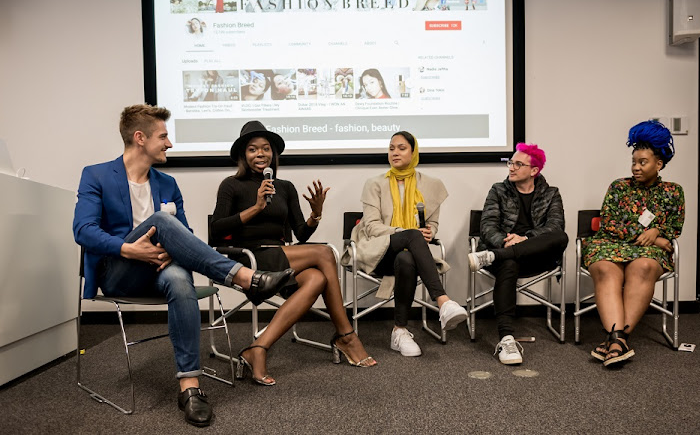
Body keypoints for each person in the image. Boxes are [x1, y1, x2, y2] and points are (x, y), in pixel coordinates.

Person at [73, 105, 292, 427]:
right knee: (163, 219)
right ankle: (245, 277)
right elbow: (83, 230)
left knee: (179, 280)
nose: (169, 144)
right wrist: (130, 250)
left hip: (161, 268)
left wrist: (165, 253)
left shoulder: (167, 183)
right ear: (139, 138)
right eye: (163, 136)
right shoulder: (97, 175)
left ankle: (190, 386)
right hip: (119, 270)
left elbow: (185, 235)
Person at [210, 121, 376, 385]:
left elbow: (302, 234)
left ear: (274, 155)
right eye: (253, 150)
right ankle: (346, 335)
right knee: (324, 254)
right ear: (244, 155)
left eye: (266, 149)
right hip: (249, 259)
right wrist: (256, 207)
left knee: (317, 278)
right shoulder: (231, 185)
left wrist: (316, 213)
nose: (260, 154)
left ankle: (258, 347)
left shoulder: (285, 187)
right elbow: (217, 230)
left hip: (281, 255)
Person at [342, 131, 467, 357]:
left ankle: (399, 331)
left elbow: (432, 223)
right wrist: (406, 232)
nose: (395, 153)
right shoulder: (374, 184)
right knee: (411, 237)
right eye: (391, 148)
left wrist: (430, 232)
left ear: (413, 152)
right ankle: (443, 301)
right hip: (378, 253)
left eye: (401, 148)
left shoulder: (431, 185)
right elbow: (371, 227)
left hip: (410, 257)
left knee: (407, 258)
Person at [583, 120, 684, 367]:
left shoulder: (674, 191)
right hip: (610, 243)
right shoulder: (618, 187)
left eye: (643, 162)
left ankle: (615, 340)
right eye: (634, 162)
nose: (636, 167)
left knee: (643, 268)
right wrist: (653, 235)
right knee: (606, 269)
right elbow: (609, 224)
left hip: (648, 252)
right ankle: (619, 341)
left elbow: (675, 226)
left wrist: (659, 231)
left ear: (658, 164)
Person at [468, 143, 568, 365]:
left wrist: (526, 238)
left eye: (518, 164)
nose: (511, 168)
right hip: (506, 255)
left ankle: (496, 256)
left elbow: (555, 226)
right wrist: (505, 243)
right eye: (511, 163)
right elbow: (487, 226)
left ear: (534, 170)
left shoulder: (551, 194)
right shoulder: (498, 190)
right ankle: (506, 338)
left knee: (562, 237)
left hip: (535, 256)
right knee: (509, 263)